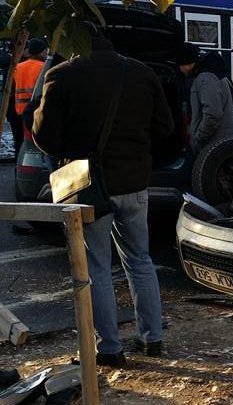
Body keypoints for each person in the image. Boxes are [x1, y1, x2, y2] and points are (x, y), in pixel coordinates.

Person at [32, 25, 174, 368]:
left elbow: (43, 136)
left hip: (88, 187)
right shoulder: (142, 73)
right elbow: (165, 128)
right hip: (135, 184)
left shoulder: (61, 75)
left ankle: (109, 349)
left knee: (95, 266)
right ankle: (152, 339)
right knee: (140, 260)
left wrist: (73, 150)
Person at [176, 43, 233, 154]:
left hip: (212, 149)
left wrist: (197, 138)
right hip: (216, 147)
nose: (179, 69)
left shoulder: (205, 78)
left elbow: (213, 114)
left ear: (187, 63)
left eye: (179, 65)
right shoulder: (211, 73)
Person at [11, 38, 47, 161]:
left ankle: (19, 172)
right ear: (41, 52)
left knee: (20, 145)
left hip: (19, 112)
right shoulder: (44, 68)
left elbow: (11, 91)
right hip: (37, 112)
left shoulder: (17, 67)